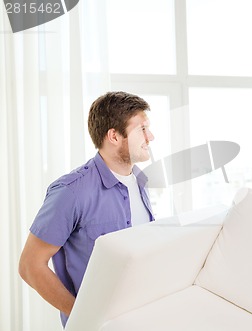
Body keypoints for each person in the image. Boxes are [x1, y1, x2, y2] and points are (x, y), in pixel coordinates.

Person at [19, 91, 156, 326]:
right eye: (141, 129)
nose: (150, 136)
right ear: (114, 136)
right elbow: (30, 266)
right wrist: (85, 318)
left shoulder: (140, 182)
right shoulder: (70, 191)